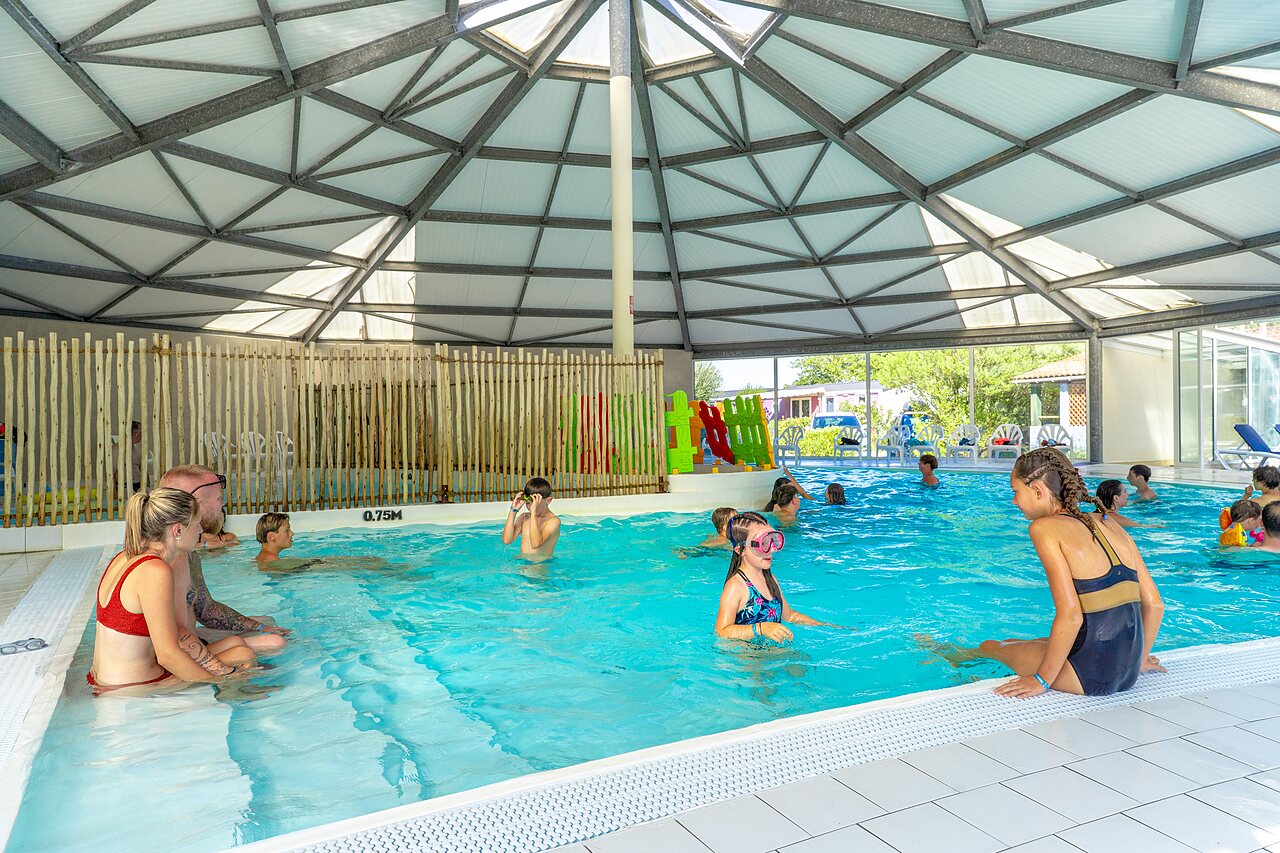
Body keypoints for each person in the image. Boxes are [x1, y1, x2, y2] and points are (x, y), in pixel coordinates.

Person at [922, 448, 1165, 697]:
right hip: (1128, 671)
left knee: (992, 647)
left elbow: (1071, 617)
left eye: (1016, 492)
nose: (1014, 501)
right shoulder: (1108, 522)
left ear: (1038, 490)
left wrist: (1041, 681)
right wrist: (1140, 660)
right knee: (1022, 643)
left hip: (1090, 676)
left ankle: (947, 655)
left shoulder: (1044, 528)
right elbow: (1155, 605)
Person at [88, 488, 255, 694]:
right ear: (177, 531)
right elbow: (167, 655)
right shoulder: (155, 570)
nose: (201, 530)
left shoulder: (125, 556)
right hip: (131, 689)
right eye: (196, 524)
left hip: (105, 681)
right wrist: (220, 680)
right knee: (244, 657)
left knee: (237, 645)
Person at [158, 465, 290, 653]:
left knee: (265, 623)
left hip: (191, 640)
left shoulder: (186, 551)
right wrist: (224, 668)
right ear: (195, 502)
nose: (222, 505)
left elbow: (205, 609)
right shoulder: (170, 560)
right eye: (219, 498)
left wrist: (259, 627)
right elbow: (168, 645)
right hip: (181, 653)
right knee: (275, 643)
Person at [713, 511, 835, 643]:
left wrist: (825, 626)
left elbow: (789, 616)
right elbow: (722, 631)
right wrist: (760, 629)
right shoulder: (736, 586)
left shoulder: (770, 578)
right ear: (740, 550)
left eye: (772, 540)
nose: (771, 549)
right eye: (762, 543)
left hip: (772, 655)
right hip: (747, 660)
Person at [254, 512, 388, 572]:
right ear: (272, 537)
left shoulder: (264, 560)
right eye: (287, 530)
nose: (292, 533)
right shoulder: (271, 565)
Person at [502, 476, 561, 559]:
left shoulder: (553, 522)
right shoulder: (524, 517)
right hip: (523, 563)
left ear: (548, 501)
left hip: (540, 565)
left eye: (535, 503)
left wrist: (534, 513)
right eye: (528, 503)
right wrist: (513, 511)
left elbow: (535, 544)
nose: (530, 507)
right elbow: (507, 540)